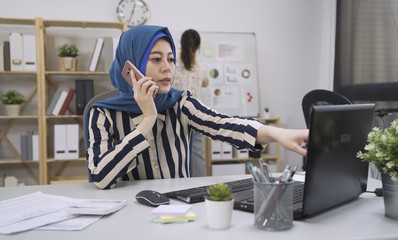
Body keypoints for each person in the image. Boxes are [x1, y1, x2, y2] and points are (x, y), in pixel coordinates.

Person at [85, 25, 308, 190]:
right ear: (131, 67)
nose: (167, 68)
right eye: (156, 59)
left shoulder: (181, 103)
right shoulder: (101, 112)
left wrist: (278, 133)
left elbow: (224, 124)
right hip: (128, 216)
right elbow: (101, 176)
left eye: (171, 59)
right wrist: (148, 120)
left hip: (177, 211)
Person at [174, 29, 209, 177]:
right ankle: (200, 189)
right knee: (197, 154)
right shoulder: (202, 67)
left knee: (175, 153)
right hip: (197, 114)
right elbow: (206, 83)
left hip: (175, 113)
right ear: (198, 46)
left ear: (180, 43)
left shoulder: (172, 65)